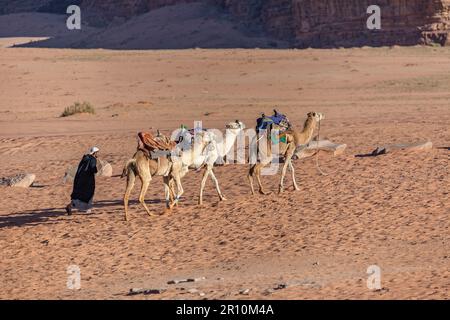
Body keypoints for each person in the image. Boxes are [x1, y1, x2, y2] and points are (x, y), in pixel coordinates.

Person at [66, 147, 99, 215]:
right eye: (97, 152)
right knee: (89, 193)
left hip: (80, 179)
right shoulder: (93, 159)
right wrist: (96, 170)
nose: (97, 154)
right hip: (88, 180)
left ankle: (70, 206)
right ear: (95, 153)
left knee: (79, 194)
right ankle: (88, 210)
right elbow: (93, 169)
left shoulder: (85, 158)